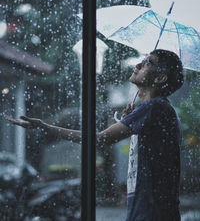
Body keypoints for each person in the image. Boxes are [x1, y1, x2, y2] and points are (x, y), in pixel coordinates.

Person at [6, 48, 184, 221]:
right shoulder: (154, 109)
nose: (138, 64)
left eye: (148, 63)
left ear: (160, 78)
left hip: (152, 211)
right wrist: (128, 121)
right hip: (150, 208)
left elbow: (101, 138)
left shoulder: (154, 107)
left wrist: (47, 127)